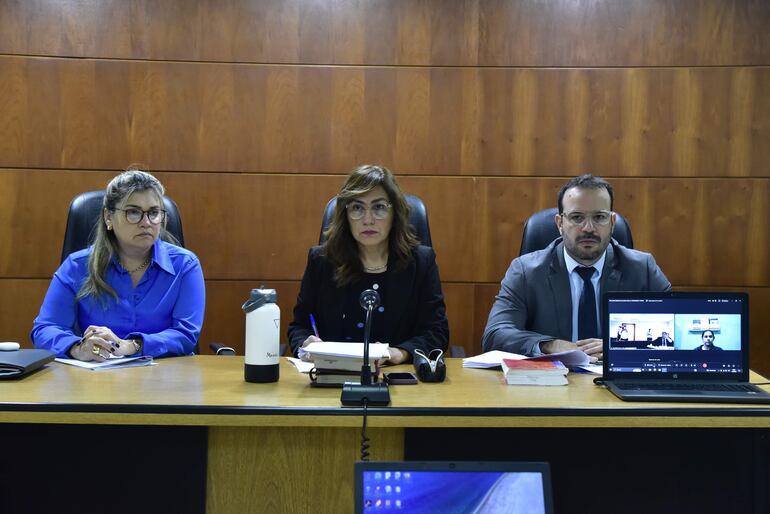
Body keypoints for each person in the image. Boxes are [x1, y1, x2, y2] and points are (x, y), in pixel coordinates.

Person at [482, 174, 671, 361]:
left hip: (616, 382)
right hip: (550, 384)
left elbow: (675, 331)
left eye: (599, 217)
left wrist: (619, 346)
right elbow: (495, 335)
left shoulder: (643, 269)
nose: (588, 228)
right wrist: (550, 345)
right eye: (577, 217)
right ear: (560, 224)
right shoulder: (526, 271)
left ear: (612, 223)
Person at [31, 168, 205, 361]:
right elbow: (44, 329)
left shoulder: (185, 265)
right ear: (108, 217)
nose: (146, 222)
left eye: (154, 213)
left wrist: (130, 346)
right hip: (96, 382)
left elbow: (187, 334)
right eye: (133, 212)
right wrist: (78, 348)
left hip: (168, 380)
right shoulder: (77, 266)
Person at [288, 164, 449, 364]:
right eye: (357, 208)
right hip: (331, 377)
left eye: (379, 207)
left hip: (397, 380)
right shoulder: (321, 261)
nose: (368, 219)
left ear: (394, 213)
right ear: (345, 215)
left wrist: (400, 353)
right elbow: (299, 327)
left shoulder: (421, 263)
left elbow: (437, 332)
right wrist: (305, 343)